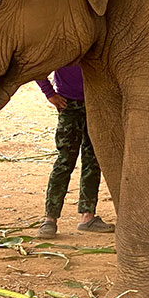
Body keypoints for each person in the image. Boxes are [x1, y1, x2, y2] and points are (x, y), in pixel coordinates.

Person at [35, 65, 114, 239]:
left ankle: (88, 216)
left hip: (95, 104)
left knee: (93, 161)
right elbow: (37, 66)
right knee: (64, 162)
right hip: (68, 105)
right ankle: (50, 219)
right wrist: (49, 93)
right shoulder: (60, 43)